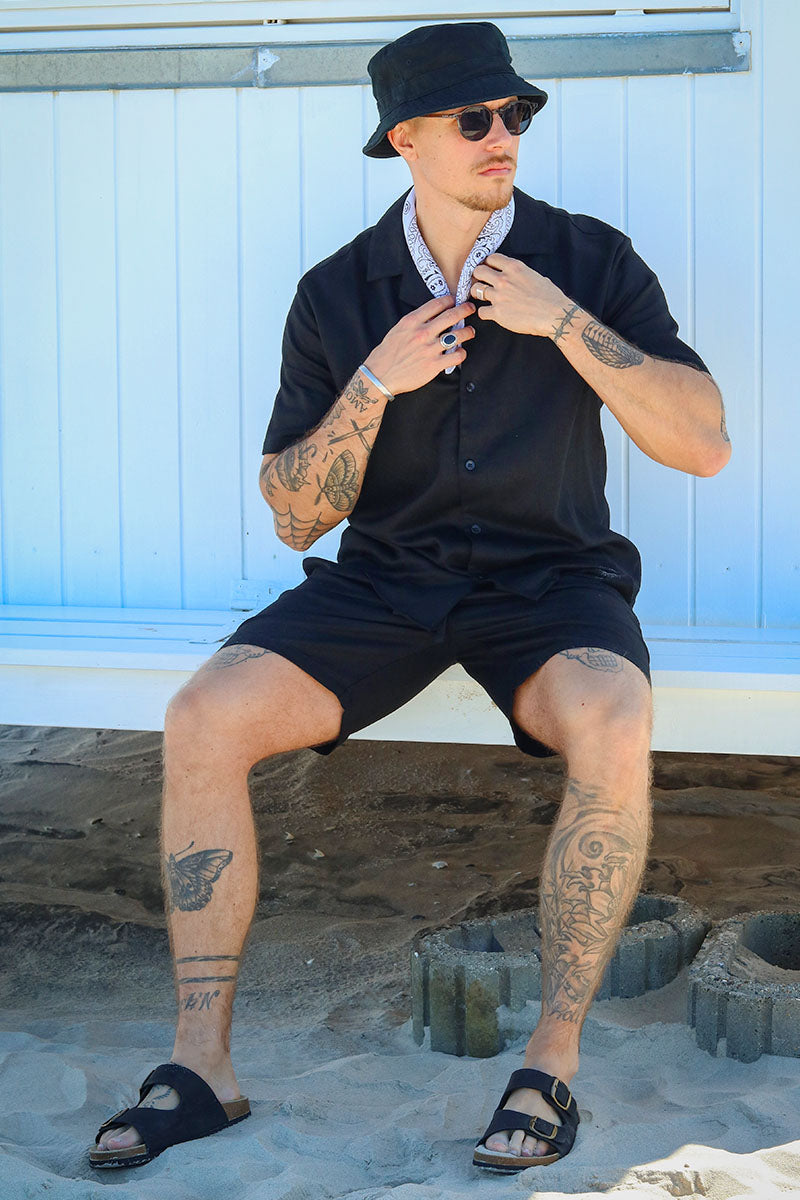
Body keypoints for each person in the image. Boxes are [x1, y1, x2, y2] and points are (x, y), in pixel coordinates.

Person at [89, 20, 731, 1175]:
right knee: (202, 717)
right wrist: (372, 385)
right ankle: (200, 1070)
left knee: (614, 716)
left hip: (549, 579)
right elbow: (295, 515)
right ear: (405, 139)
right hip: (387, 581)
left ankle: (547, 1064)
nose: (503, 136)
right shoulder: (337, 293)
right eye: (474, 118)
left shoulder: (585, 260)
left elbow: (703, 445)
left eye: (516, 114)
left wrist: (563, 324)